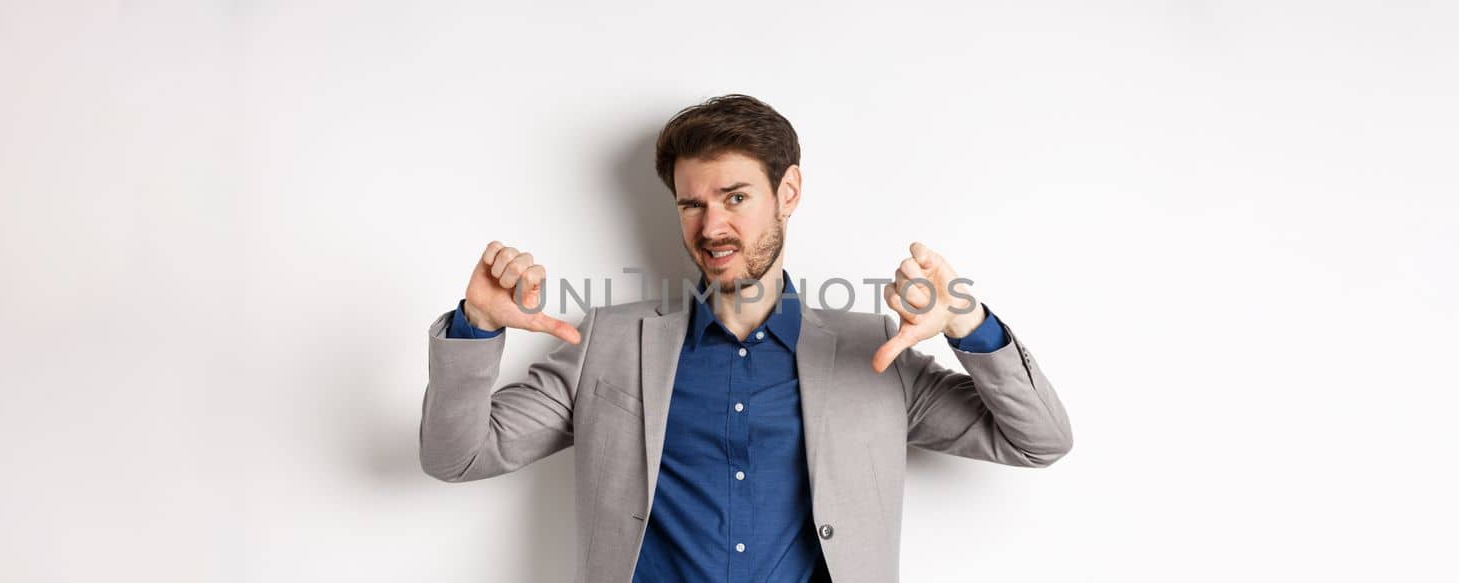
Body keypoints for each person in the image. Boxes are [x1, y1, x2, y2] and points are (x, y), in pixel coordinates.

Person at [419, 94, 1073, 583]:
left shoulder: (874, 351)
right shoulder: (609, 341)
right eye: (692, 204)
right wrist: (477, 326)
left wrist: (966, 321)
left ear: (787, 192)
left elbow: (1038, 439)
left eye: (735, 197)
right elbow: (457, 457)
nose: (712, 227)